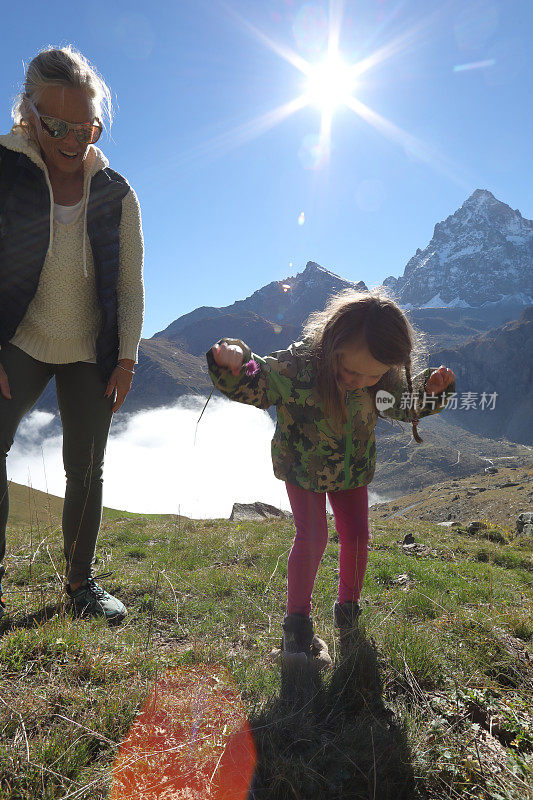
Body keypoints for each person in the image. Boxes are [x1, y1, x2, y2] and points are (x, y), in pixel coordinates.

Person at [206, 289, 456, 664]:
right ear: (332, 342)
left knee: (357, 538)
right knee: (313, 537)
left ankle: (349, 614)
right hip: (303, 470)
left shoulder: (380, 379)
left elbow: (403, 404)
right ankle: (297, 631)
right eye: (350, 370)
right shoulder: (300, 365)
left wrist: (431, 391)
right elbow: (262, 381)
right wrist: (237, 363)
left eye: (370, 376)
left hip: (352, 472)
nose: (358, 381)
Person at [0, 46, 144, 623]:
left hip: (89, 349)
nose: (71, 139)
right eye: (57, 125)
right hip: (19, 340)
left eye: (85, 127)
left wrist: (126, 357)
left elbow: (130, 284)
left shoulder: (116, 191)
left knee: (86, 468)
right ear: (28, 114)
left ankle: (80, 587)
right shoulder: (4, 171)